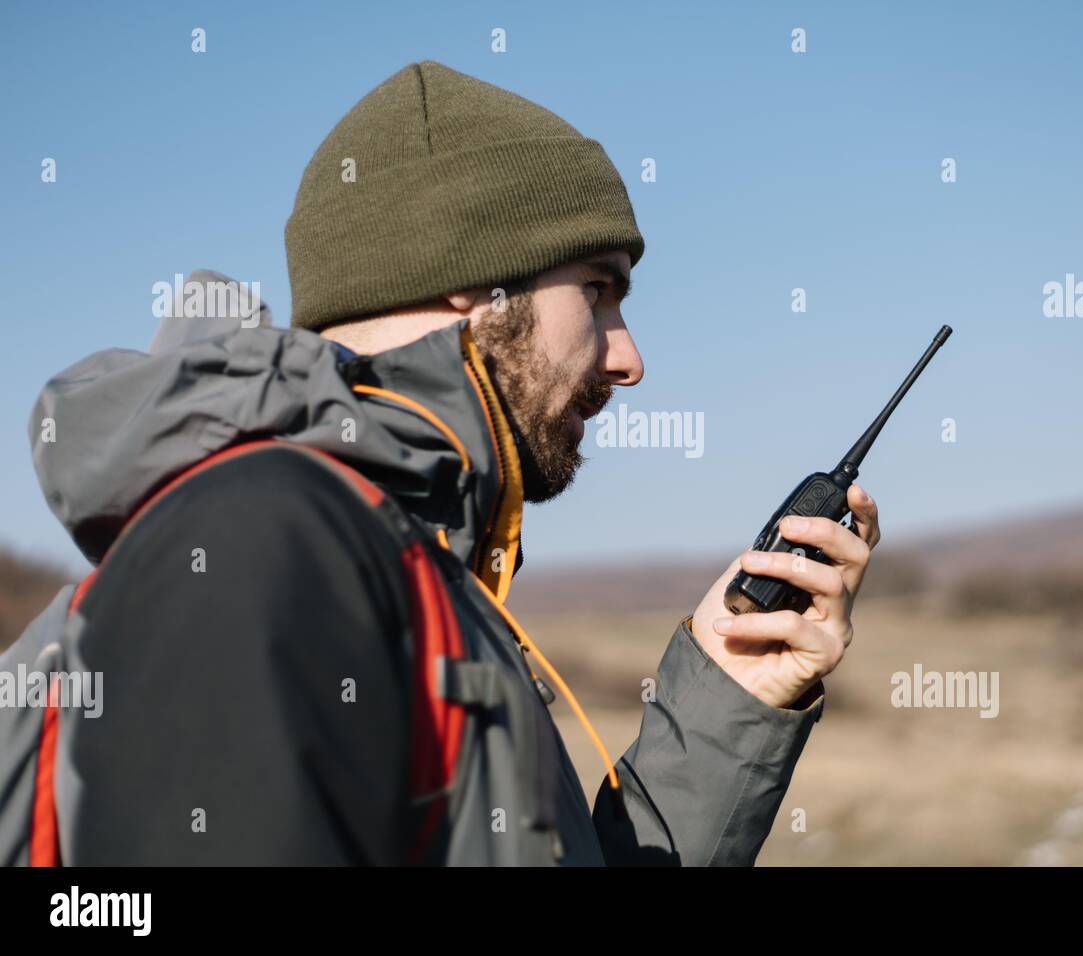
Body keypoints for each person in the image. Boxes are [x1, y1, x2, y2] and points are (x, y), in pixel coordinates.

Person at [0, 61, 879, 866]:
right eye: (598, 291)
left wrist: (730, 696)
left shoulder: (393, 560)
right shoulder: (263, 541)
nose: (628, 359)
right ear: (475, 274)